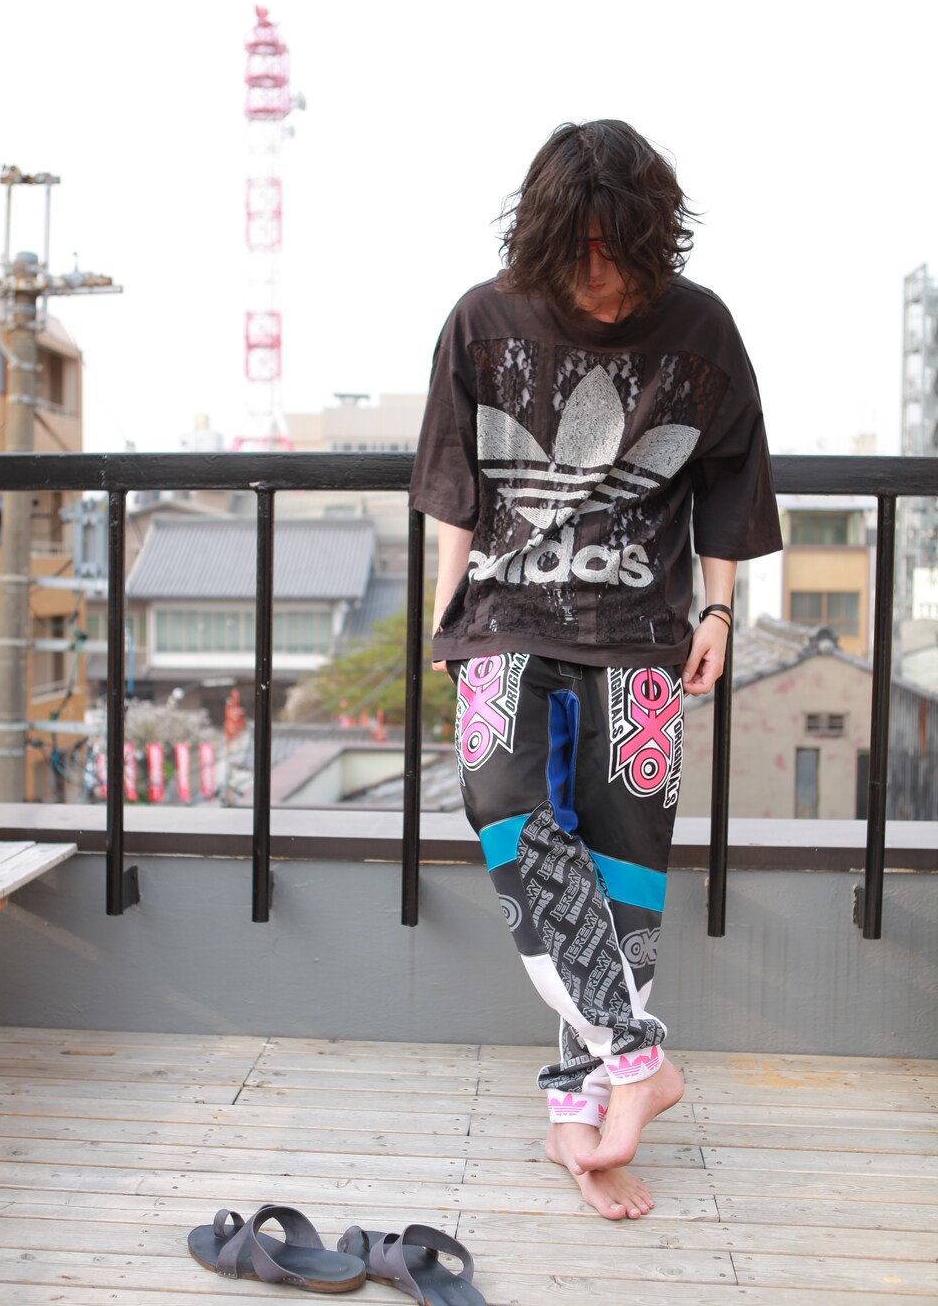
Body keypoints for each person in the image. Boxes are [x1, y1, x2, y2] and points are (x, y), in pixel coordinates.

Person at [409, 120, 782, 1220]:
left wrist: (719, 607)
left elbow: (728, 480)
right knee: (506, 809)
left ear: (653, 235)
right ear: (545, 237)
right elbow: (454, 485)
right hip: (504, 616)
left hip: (641, 627)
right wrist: (445, 613)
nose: (600, 273)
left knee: (622, 862)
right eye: (579, 248)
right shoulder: (482, 319)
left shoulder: (701, 326)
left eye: (619, 248)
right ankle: (637, 1058)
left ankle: (579, 1105)